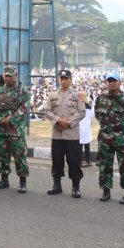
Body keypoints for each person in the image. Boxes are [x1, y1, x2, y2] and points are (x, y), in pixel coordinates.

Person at [95, 71, 124, 205]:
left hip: (122, 139)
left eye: (114, 80)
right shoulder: (100, 99)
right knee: (105, 165)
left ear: (120, 82)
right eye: (109, 81)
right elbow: (98, 116)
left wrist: (123, 130)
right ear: (106, 83)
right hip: (105, 138)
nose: (112, 83)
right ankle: (106, 190)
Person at [44, 69, 86, 198]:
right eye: (61, 78)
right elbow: (47, 111)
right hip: (57, 134)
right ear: (58, 79)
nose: (63, 80)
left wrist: (68, 123)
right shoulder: (52, 95)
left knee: (74, 161)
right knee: (56, 161)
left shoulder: (78, 95)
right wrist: (58, 121)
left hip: (72, 134)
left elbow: (82, 112)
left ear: (71, 80)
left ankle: (75, 187)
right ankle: (57, 186)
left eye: (66, 78)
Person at [0, 66, 31, 193]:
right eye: (6, 75)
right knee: (2, 155)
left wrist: (10, 119)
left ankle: (22, 182)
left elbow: (24, 108)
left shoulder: (23, 90)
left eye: (10, 75)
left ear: (16, 75)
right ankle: (4, 180)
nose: (7, 78)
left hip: (16, 130)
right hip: (1, 130)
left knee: (19, 156)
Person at [78, 96, 94, 167]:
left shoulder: (88, 107)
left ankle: (88, 160)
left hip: (86, 128)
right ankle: (80, 160)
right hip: (79, 128)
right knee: (79, 146)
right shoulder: (76, 106)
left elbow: (92, 115)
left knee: (87, 145)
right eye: (80, 96)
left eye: (83, 96)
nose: (81, 98)